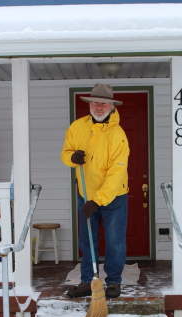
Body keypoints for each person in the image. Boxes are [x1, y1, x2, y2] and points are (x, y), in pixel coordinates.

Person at [60, 83, 130, 298]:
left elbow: (116, 173)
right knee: (87, 240)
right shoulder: (77, 127)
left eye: (104, 103)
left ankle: (114, 282)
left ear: (111, 106)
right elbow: (66, 152)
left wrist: (97, 201)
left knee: (114, 241)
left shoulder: (117, 134)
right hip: (86, 194)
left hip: (113, 197)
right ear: (90, 104)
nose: (99, 107)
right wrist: (71, 158)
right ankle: (87, 280)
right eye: (95, 102)